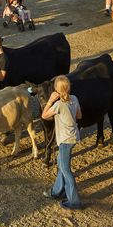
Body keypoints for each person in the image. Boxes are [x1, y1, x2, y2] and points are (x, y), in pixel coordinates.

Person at [41, 75, 83, 210]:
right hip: (73, 137)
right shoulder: (74, 99)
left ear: (56, 90)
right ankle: (57, 191)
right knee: (61, 163)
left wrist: (50, 101)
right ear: (69, 87)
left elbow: (44, 115)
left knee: (65, 169)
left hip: (64, 140)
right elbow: (79, 116)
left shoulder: (58, 105)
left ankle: (74, 200)